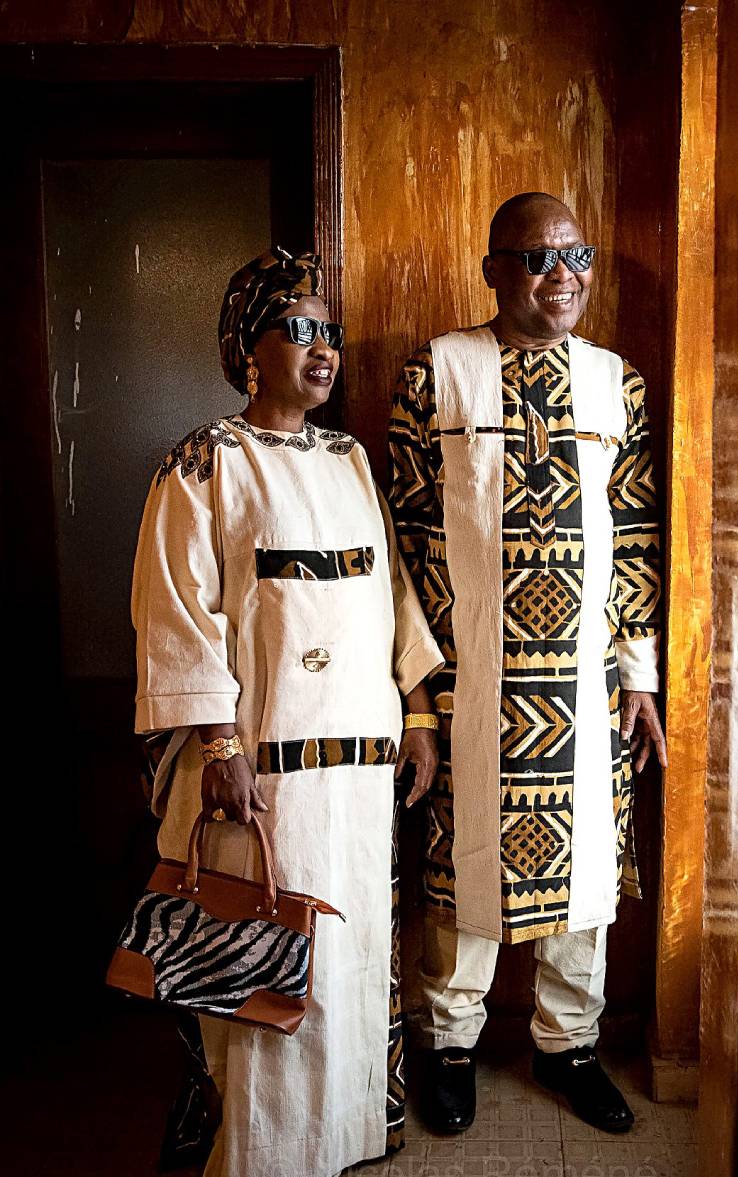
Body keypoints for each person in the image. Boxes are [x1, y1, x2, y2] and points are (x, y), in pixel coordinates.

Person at [132, 246, 443, 1177]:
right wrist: (219, 742)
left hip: (356, 781)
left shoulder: (352, 460)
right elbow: (177, 611)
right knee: (261, 960)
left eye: (329, 332)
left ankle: (344, 1135)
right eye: (297, 329)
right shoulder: (204, 462)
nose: (322, 349)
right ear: (249, 348)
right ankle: (259, 1154)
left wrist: (418, 712)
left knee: (344, 969)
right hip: (260, 777)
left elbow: (394, 599)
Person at [388, 193, 667, 1134]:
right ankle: (451, 1044)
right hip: (473, 683)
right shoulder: (436, 372)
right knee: (461, 872)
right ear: (493, 269)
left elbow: (633, 531)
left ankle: (568, 1046)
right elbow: (409, 539)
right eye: (539, 259)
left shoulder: (615, 383)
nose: (564, 277)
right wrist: (419, 698)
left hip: (581, 689)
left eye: (577, 256)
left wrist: (638, 673)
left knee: (584, 866)